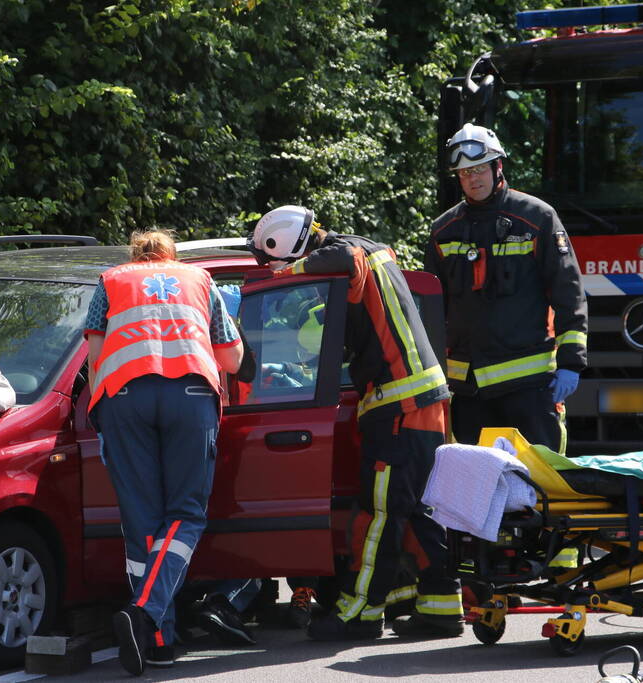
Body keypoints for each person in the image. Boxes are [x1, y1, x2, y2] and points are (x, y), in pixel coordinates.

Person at [249, 205, 464, 641]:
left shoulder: (344, 253)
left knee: (379, 513)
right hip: (422, 398)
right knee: (421, 508)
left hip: (400, 404)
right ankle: (439, 606)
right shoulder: (373, 247)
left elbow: (341, 263)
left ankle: (358, 614)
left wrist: (283, 276)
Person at [84, 229, 243, 675]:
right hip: (191, 396)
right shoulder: (201, 279)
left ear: (136, 256)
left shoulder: (110, 280)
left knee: (142, 523)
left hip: (123, 399)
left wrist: (103, 414)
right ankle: (145, 613)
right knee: (186, 515)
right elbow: (231, 360)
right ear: (171, 256)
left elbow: (95, 355)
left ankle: (157, 640)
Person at [425, 124, 588, 455]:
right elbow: (431, 310)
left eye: (480, 168)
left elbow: (568, 293)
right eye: (465, 172)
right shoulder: (443, 231)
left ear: (498, 167)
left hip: (529, 387)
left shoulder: (537, 219)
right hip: (469, 392)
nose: (473, 178)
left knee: (540, 486)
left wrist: (572, 362)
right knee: (478, 492)